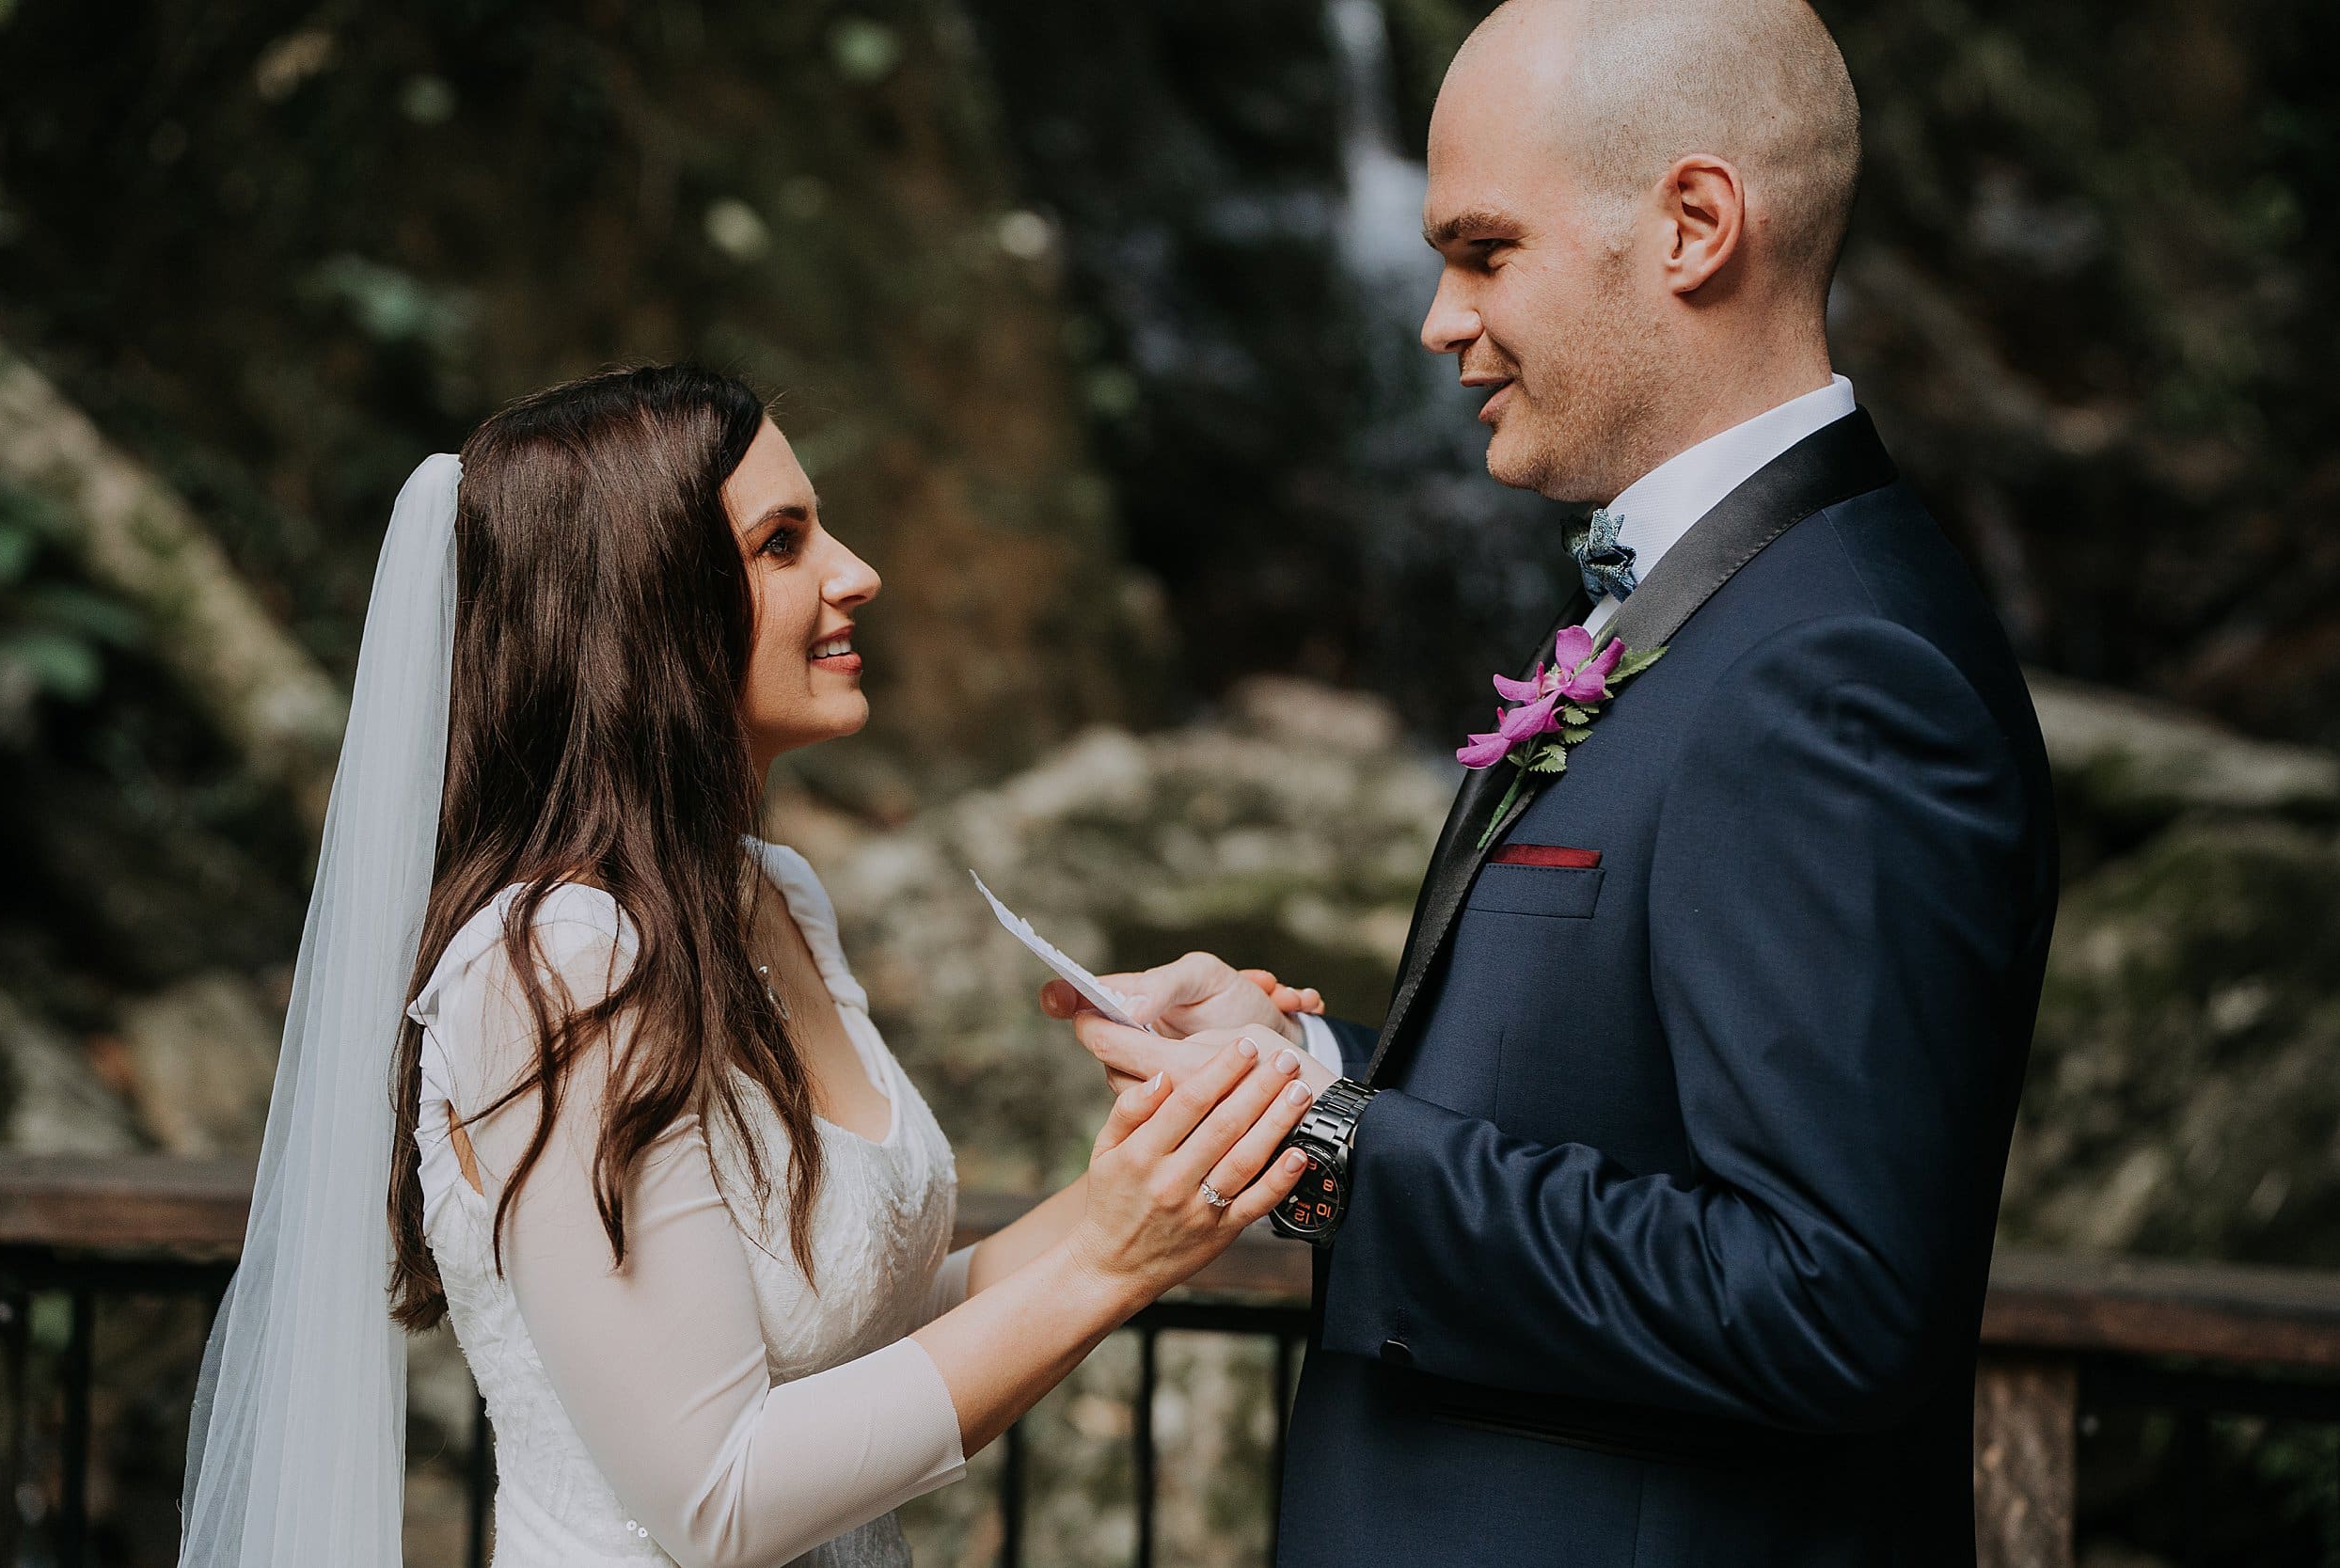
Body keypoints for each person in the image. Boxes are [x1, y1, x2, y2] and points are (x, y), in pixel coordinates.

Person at [1051, 1, 2059, 1561]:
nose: (1439, 320)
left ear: (1693, 225)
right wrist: (1300, 1058)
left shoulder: (1840, 664)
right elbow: (1608, 1099)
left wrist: (1338, 1141)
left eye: (1485, 250)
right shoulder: (1720, 603)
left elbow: (1827, 1297)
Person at [180, 364, 1319, 1568]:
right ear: (644, 608)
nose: (857, 571)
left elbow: (856, 1351)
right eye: (784, 542)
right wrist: (1106, 1254)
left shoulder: (771, 897)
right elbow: (715, 1498)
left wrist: (1154, 1173)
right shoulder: (554, 963)